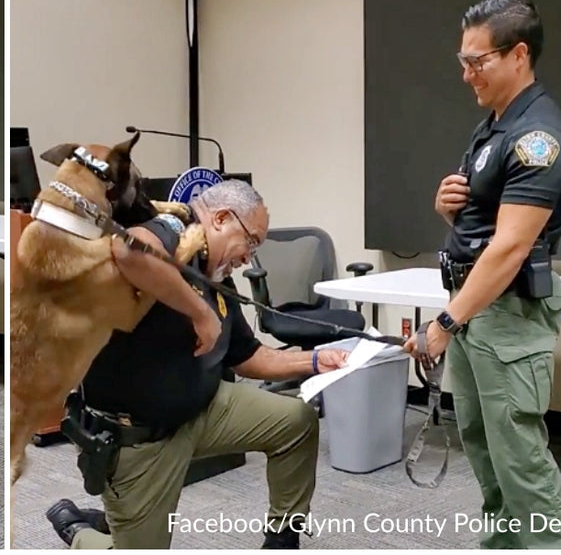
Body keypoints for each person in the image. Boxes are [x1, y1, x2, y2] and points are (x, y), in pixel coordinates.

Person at [45, 180, 350, 549]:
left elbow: (249, 356)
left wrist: (316, 360)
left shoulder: (218, 277)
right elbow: (129, 252)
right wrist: (199, 313)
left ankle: (282, 539)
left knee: (296, 422)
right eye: (250, 241)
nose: (248, 258)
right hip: (142, 436)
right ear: (220, 218)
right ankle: (80, 534)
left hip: (204, 409)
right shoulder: (174, 229)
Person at [403, 0, 561, 549]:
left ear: (518, 54)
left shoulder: (537, 138)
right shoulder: (495, 127)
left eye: (476, 63)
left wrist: (445, 324)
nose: (466, 75)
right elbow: (484, 224)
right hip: (480, 313)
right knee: (484, 449)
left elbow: (507, 250)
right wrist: (449, 207)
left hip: (505, 317)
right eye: (463, 62)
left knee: (520, 461)